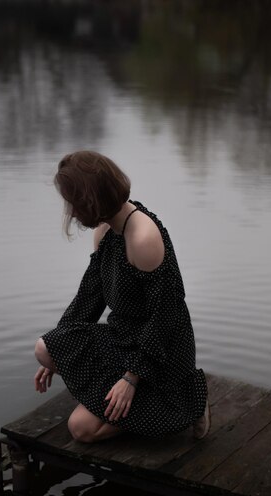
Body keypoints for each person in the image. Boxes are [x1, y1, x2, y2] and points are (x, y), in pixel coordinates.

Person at [34, 151, 210, 443]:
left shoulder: (143, 237)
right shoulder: (105, 231)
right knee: (45, 348)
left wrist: (131, 377)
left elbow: (166, 317)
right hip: (123, 338)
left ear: (92, 200)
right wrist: (59, 350)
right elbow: (88, 299)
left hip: (163, 351)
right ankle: (139, 401)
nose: (72, 212)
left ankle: (188, 402)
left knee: (82, 429)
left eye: (74, 203)